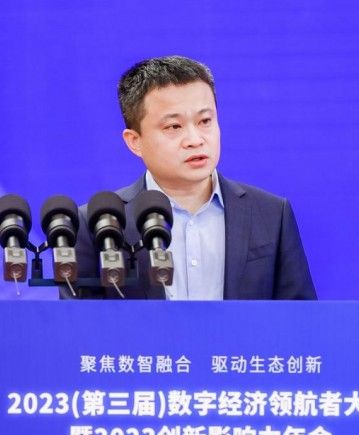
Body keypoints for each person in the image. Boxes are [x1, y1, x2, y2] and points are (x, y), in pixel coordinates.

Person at [64, 55, 316, 300]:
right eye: (174, 126)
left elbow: (300, 320)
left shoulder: (271, 214)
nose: (195, 140)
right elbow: (78, 323)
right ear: (135, 141)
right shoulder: (97, 224)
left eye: (205, 121)